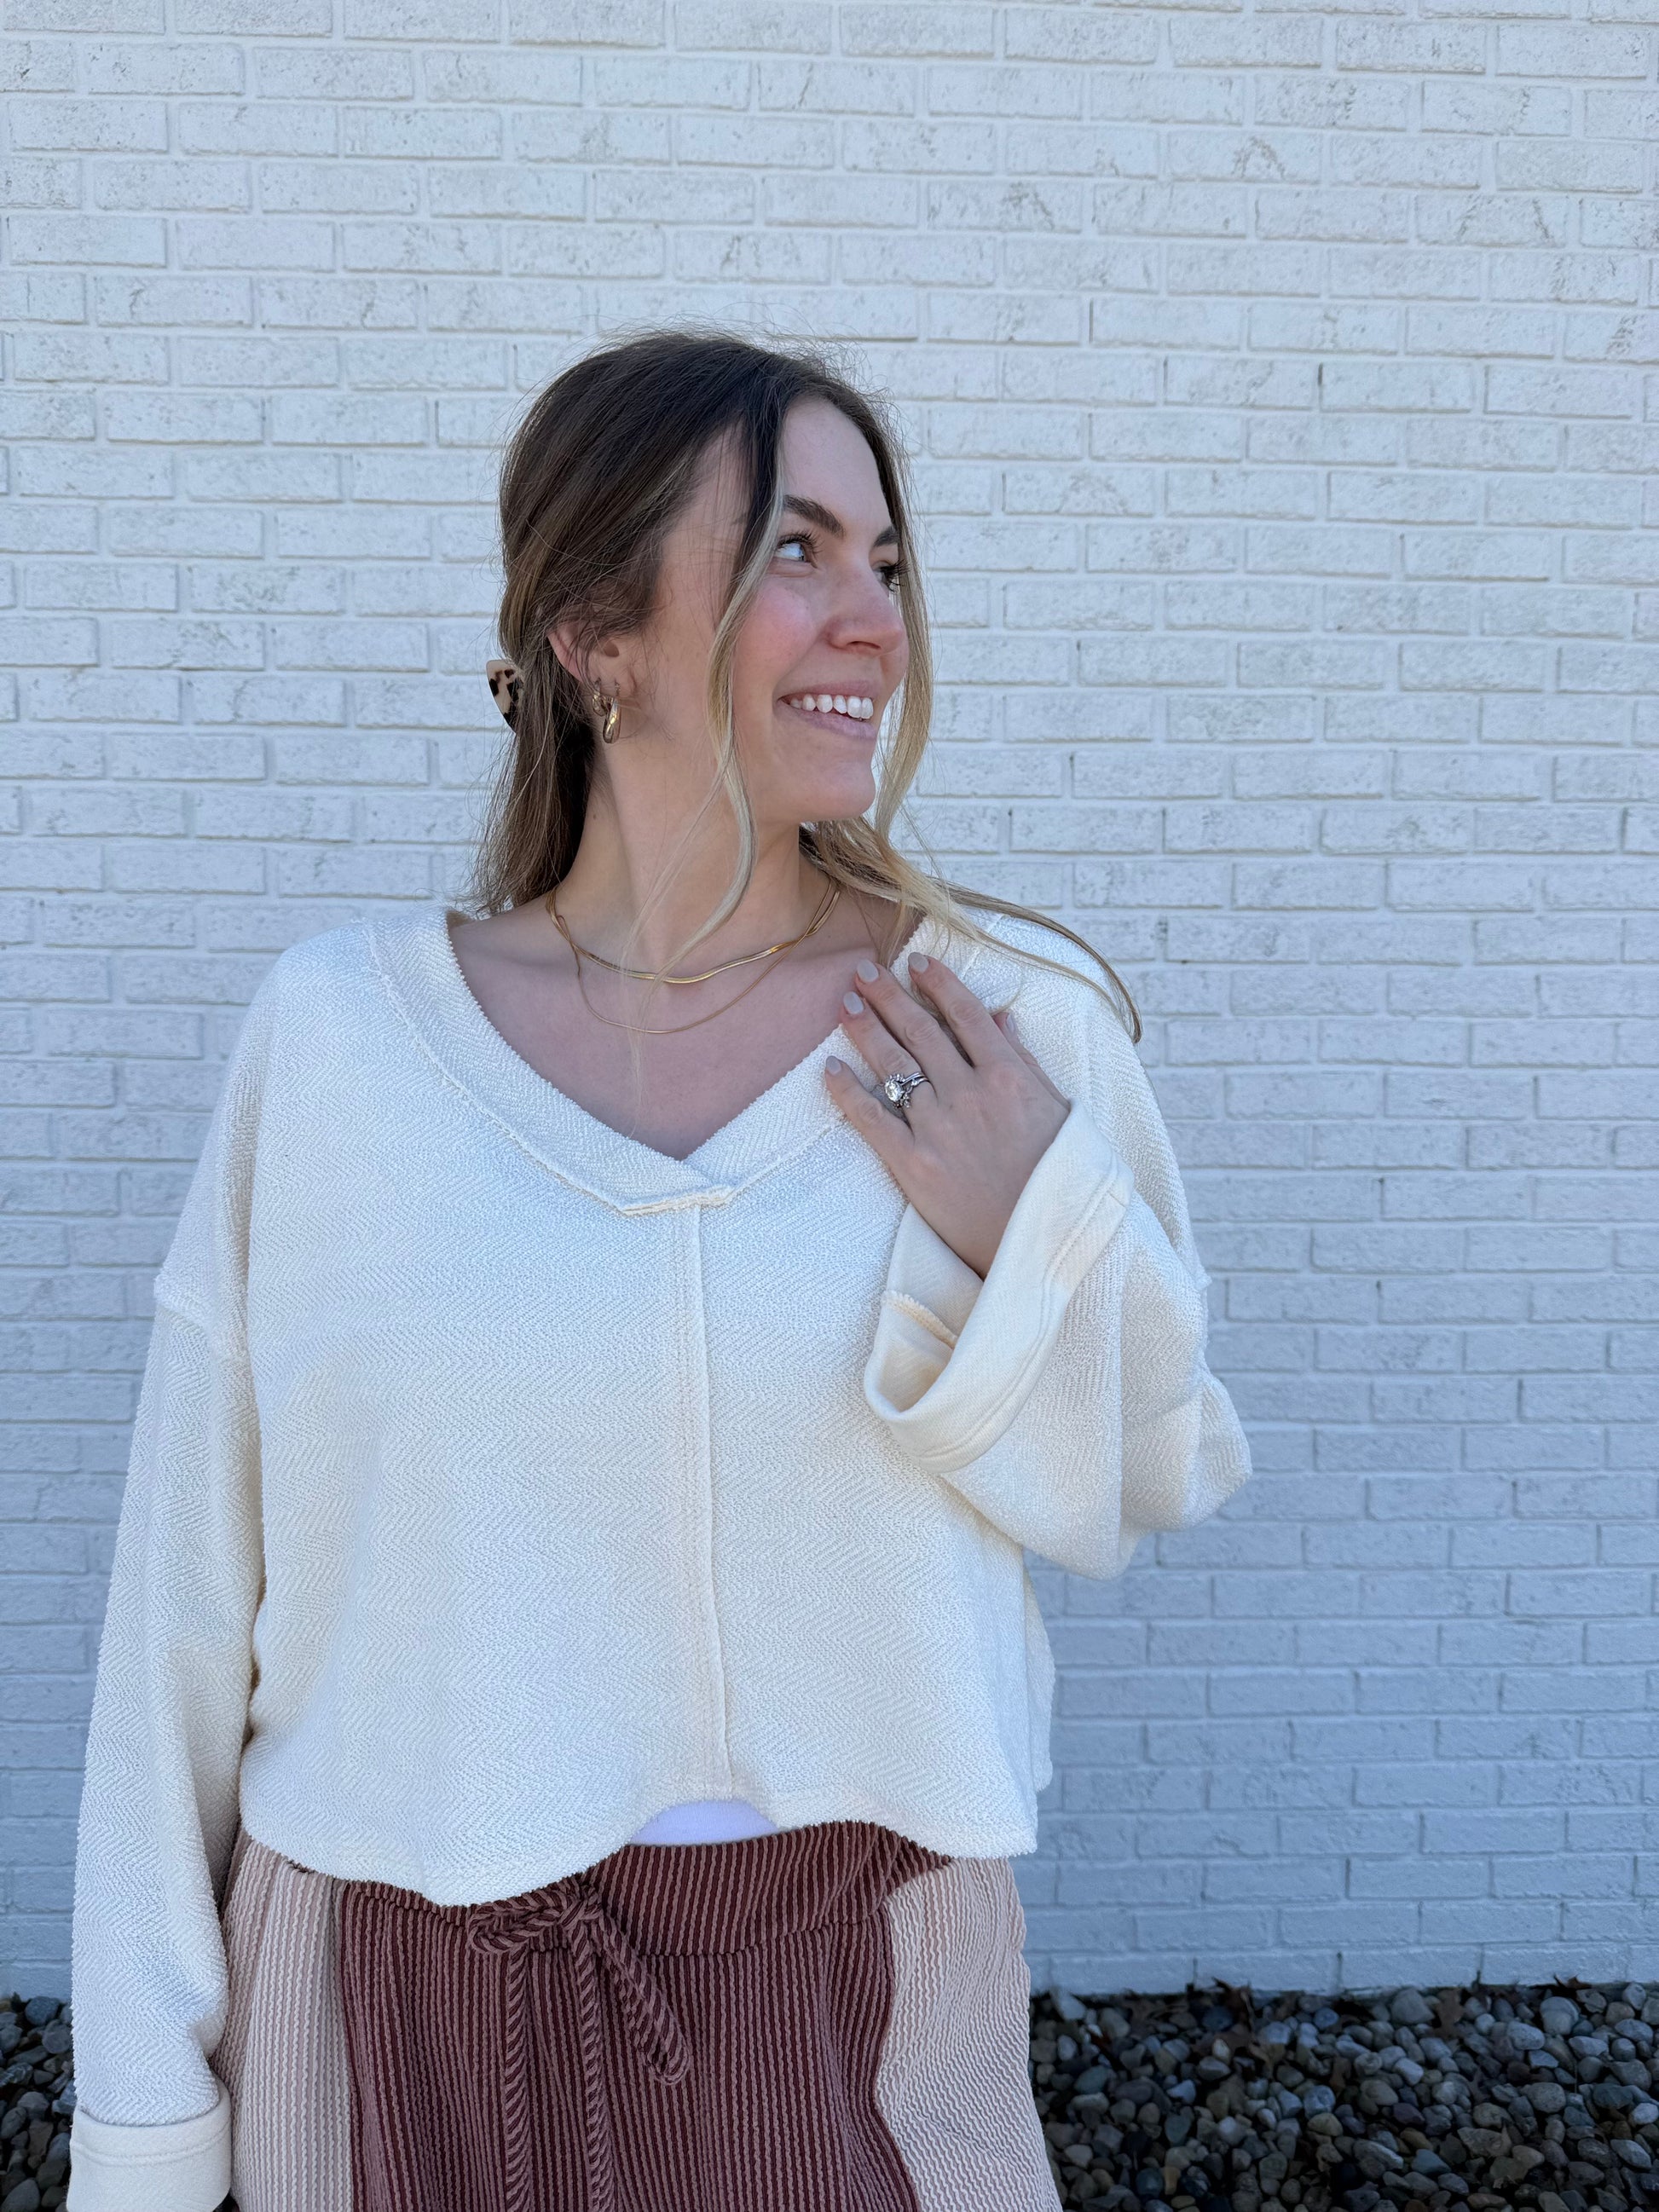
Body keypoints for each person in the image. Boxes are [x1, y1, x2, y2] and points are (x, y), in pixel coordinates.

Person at [66, 329, 1251, 2212]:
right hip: (381, 2001)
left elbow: (1149, 1469)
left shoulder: (998, 1031)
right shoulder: (337, 1042)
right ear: (593, 635)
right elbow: (181, 1620)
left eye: (887, 559)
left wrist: (1032, 1225)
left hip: (847, 1995)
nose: (870, 617)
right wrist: (144, 2126)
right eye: (794, 548)